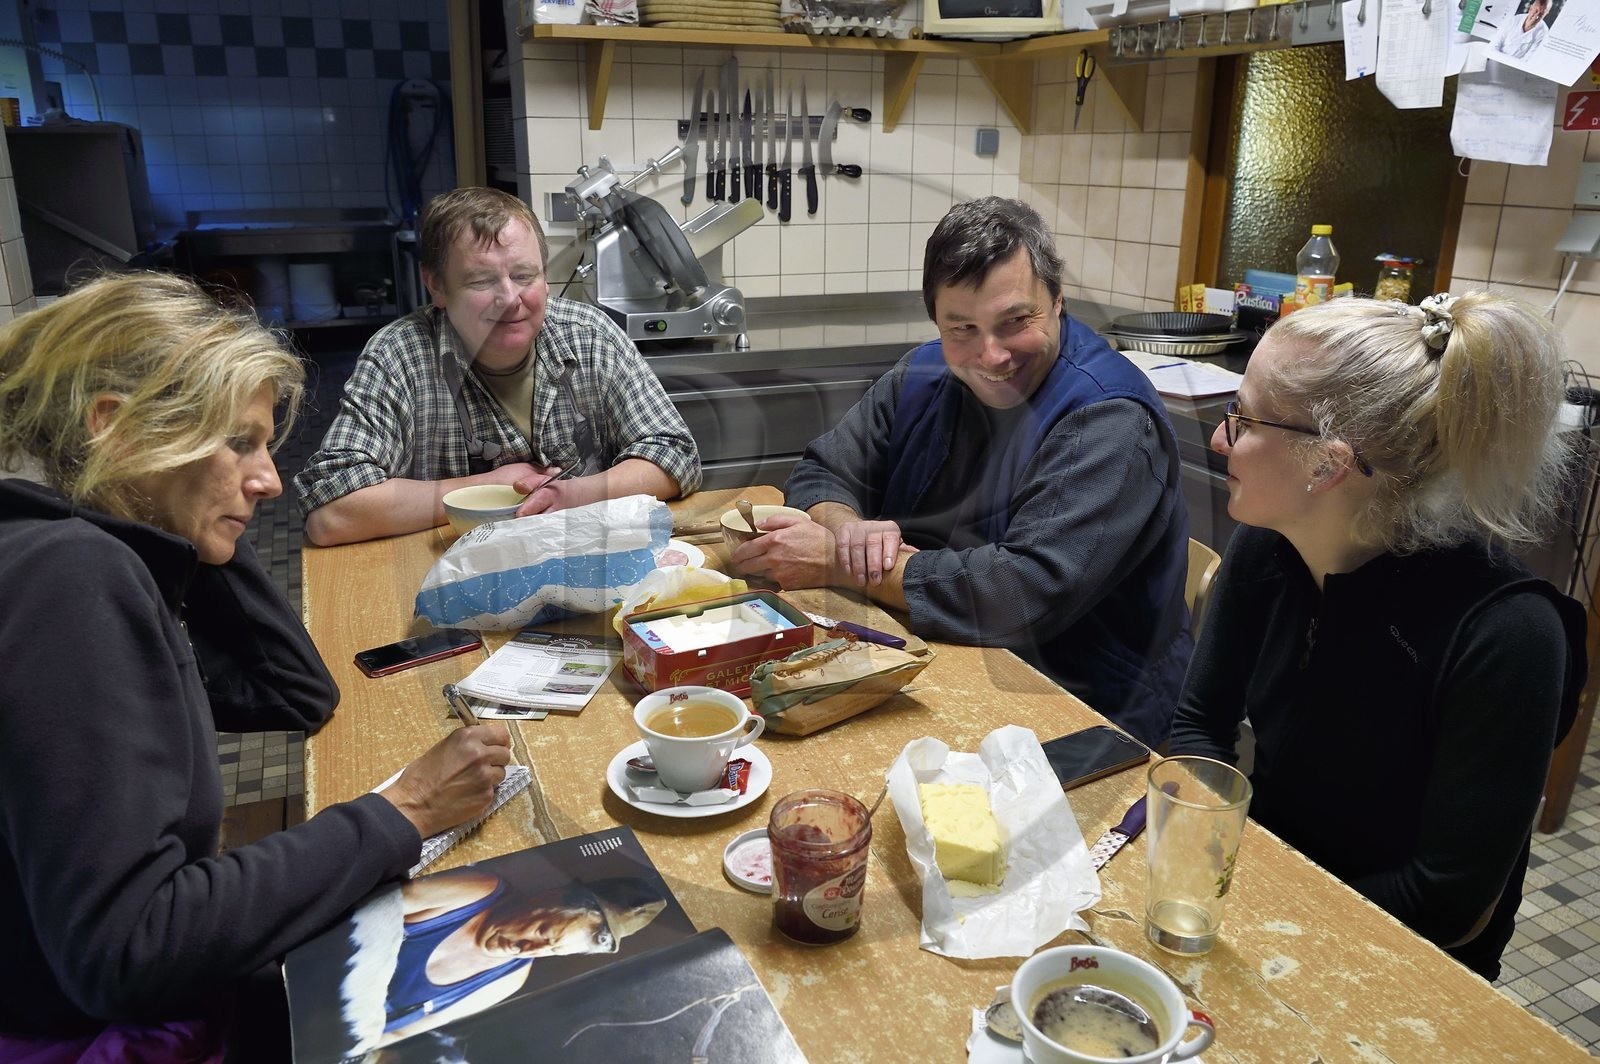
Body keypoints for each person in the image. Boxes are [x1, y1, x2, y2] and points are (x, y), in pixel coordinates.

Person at [0, 273, 514, 1060]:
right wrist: (403, 811)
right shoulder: (67, 577)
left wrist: (185, 528)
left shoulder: (76, 546)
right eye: (240, 441)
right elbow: (128, 949)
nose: (271, 479)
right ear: (118, 428)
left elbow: (293, 690)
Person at [1169, 292, 1586, 981]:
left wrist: (1263, 918)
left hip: (1404, 962)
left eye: (1242, 419)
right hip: (1266, 903)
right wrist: (1205, 857)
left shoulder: (1506, 635)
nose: (1221, 437)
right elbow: (1198, 723)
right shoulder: (1266, 550)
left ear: (1327, 464)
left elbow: (1447, 900)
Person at [734, 197, 1193, 747]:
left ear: (1059, 300)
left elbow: (1023, 591)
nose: (991, 355)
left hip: (1084, 708)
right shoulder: (922, 373)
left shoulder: (1107, 419)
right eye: (962, 328)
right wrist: (846, 527)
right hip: (934, 663)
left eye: (1016, 321)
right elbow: (823, 469)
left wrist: (843, 564)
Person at [295, 187, 702, 546]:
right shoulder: (398, 356)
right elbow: (331, 513)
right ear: (436, 284)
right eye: (480, 281)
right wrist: (488, 487)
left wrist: (570, 495)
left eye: (524, 275)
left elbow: (675, 456)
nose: (510, 299)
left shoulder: (590, 335)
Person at [334, 869, 668, 1052]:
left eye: (549, 950)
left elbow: (395, 1037)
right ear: (548, 896)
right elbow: (353, 913)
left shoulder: (510, 978)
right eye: (541, 930)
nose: (526, 948)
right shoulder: (480, 890)